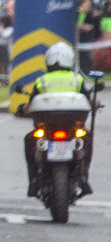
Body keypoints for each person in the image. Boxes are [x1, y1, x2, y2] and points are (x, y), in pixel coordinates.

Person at [20, 41, 98, 198]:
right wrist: (97, 104)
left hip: (47, 127)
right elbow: (89, 100)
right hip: (73, 127)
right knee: (87, 139)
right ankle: (84, 177)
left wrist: (22, 108)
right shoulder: (77, 80)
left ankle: (34, 181)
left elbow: (31, 104)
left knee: (29, 140)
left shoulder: (41, 81)